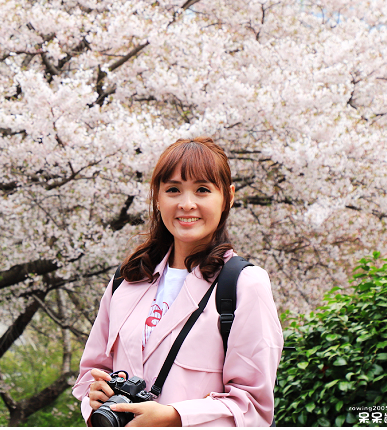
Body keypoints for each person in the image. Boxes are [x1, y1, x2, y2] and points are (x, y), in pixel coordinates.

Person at [73, 137, 283, 427]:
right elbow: (91, 375)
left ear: (228, 197)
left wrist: (173, 417)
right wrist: (94, 396)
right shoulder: (127, 280)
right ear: (157, 198)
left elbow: (253, 408)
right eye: (173, 190)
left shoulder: (244, 285)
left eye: (202, 190)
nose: (187, 204)